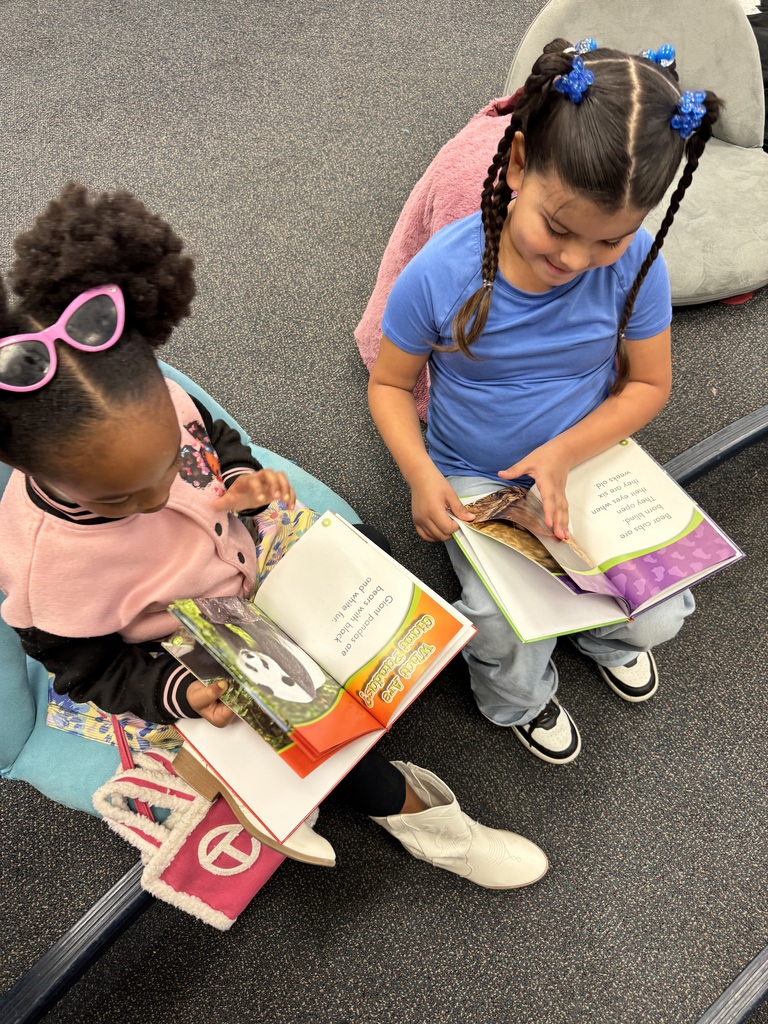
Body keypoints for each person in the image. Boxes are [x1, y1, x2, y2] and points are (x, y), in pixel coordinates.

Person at [0, 182, 547, 889]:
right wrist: (179, 694)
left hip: (246, 556)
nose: (164, 494)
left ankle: (268, 781)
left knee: (376, 562)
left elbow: (216, 440)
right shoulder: (49, 570)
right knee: (311, 733)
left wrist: (240, 475)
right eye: (122, 499)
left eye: (168, 465)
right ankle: (425, 822)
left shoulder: (159, 400)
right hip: (177, 645)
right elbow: (83, 668)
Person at [368, 39, 721, 765]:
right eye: (558, 228)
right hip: (475, 474)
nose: (573, 259)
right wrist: (421, 475)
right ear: (520, 165)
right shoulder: (443, 273)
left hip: (590, 459)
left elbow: (650, 384)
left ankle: (601, 637)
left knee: (656, 613)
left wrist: (562, 455)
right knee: (501, 629)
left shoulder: (637, 271)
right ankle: (517, 701)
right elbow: (390, 384)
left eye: (608, 240)